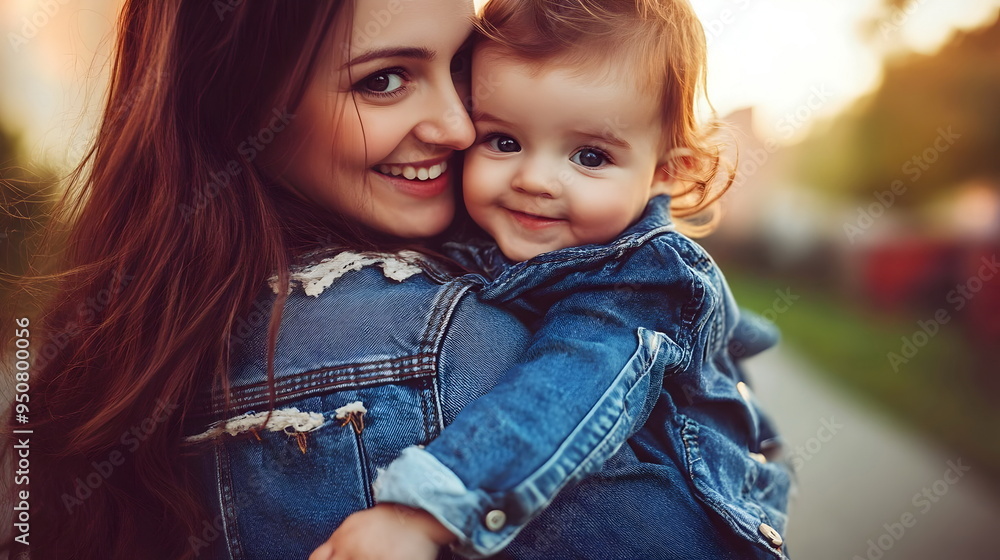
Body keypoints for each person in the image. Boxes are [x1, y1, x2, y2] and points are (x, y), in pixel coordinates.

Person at [6, 1, 786, 560]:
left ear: (669, 172)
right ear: (239, 106)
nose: (457, 126)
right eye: (383, 80)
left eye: (456, 69)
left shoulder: (113, 344)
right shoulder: (445, 352)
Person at [314, 0, 792, 559]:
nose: (537, 179)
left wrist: (425, 511)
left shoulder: (643, 277)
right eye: (504, 141)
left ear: (666, 170)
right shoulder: (499, 224)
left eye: (589, 156)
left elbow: (567, 388)